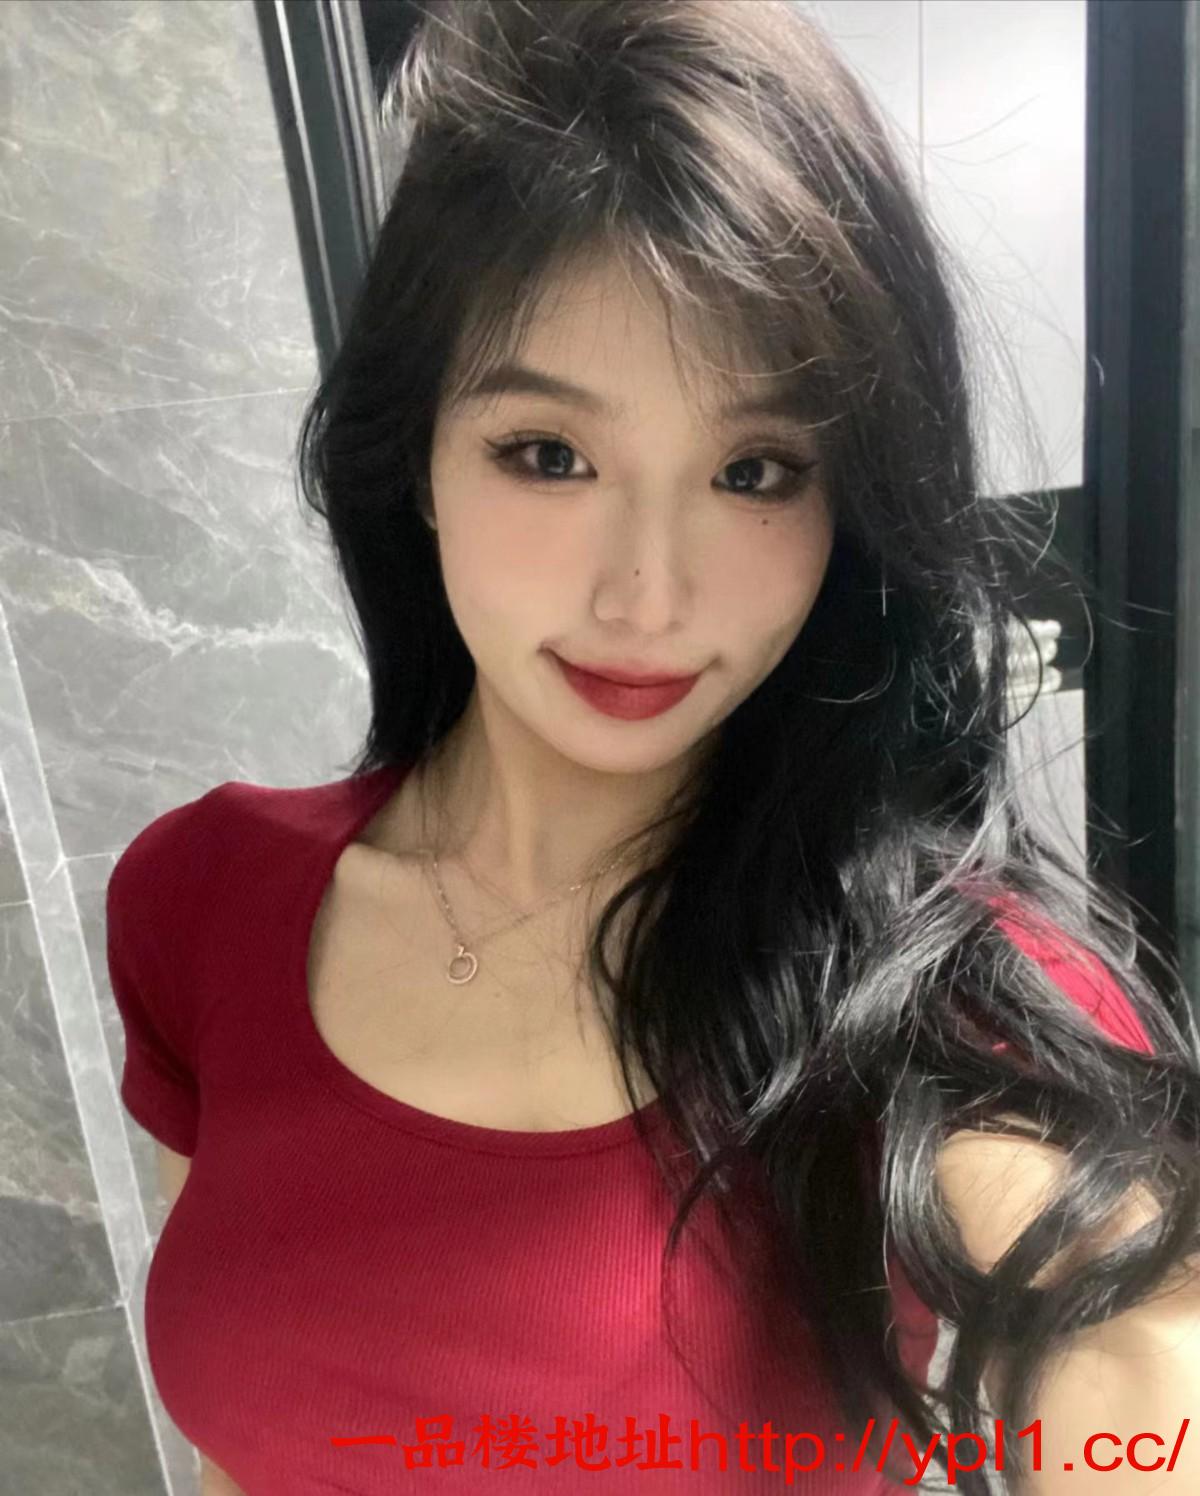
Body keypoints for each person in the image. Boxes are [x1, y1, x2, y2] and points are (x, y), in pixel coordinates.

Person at [107, 3, 1200, 1492]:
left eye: (755, 471)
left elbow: (1136, 1383)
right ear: (414, 459)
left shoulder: (954, 1012)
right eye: (548, 455)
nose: (648, 596)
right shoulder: (200, 899)